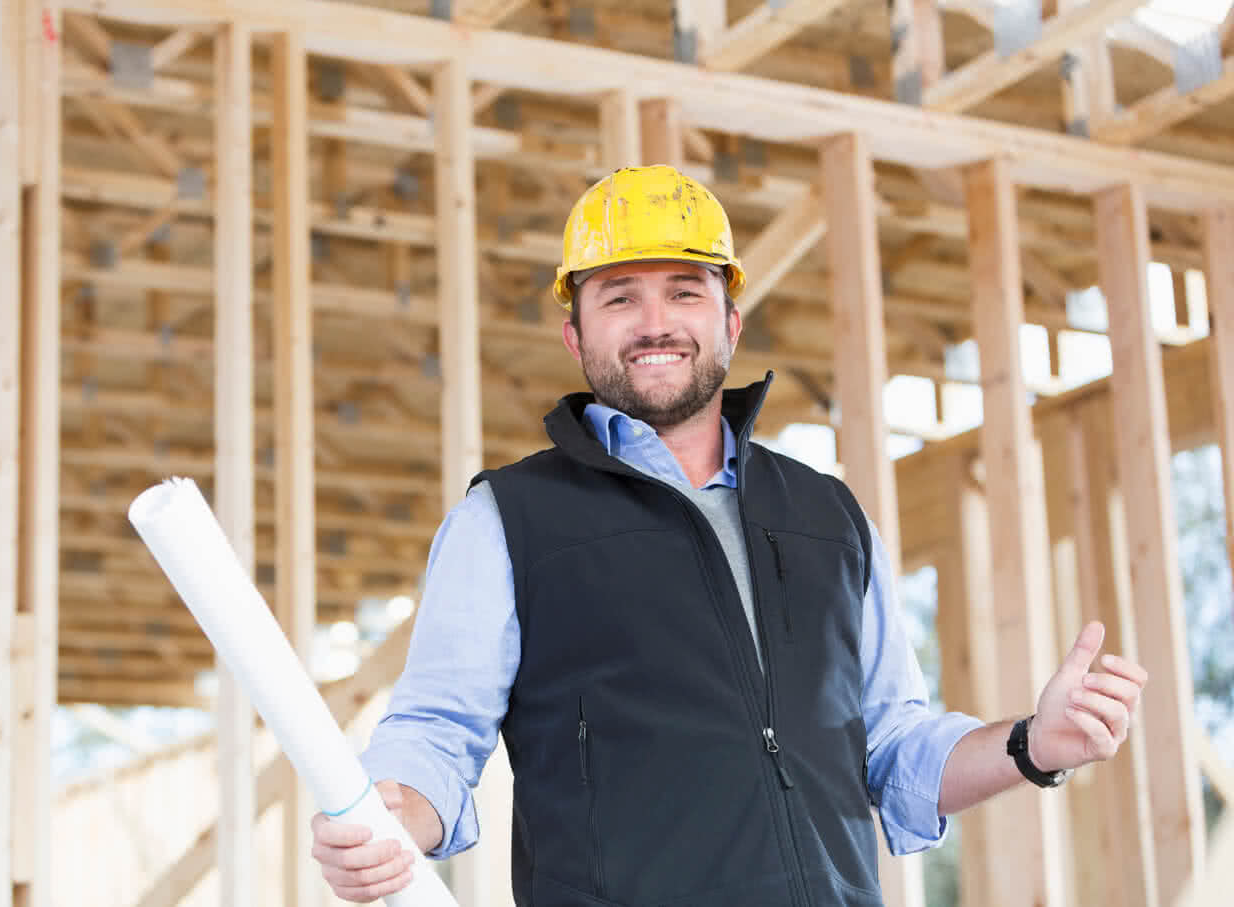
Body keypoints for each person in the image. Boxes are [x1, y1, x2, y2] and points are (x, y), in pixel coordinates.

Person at [309, 166, 1148, 905]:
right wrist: (391, 816)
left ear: (730, 320)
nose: (655, 320)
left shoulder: (828, 517)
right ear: (575, 335)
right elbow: (435, 728)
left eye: (683, 290)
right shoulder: (508, 520)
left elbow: (892, 746)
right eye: (619, 296)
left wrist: (1034, 746)